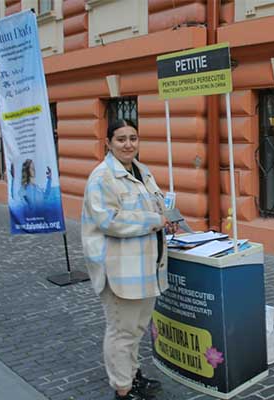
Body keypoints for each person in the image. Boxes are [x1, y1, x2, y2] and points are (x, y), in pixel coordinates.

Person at [82, 119, 178, 400]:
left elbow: (157, 205)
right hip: (119, 270)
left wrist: (168, 217)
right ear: (108, 143)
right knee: (121, 332)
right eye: (121, 139)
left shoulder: (141, 171)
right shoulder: (102, 177)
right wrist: (155, 220)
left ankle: (132, 375)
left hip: (146, 268)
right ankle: (123, 391)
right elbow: (109, 221)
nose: (128, 144)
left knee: (135, 329)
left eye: (133, 138)